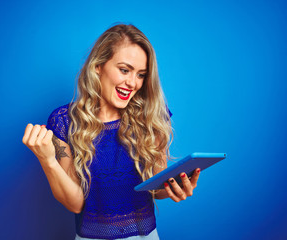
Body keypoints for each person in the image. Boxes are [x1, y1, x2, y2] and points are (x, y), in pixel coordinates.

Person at [22, 24, 200, 240]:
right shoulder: (65, 121)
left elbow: (155, 187)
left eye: (141, 75)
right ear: (98, 66)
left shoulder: (152, 116)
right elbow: (75, 203)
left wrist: (175, 187)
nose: (132, 83)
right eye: (124, 70)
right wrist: (48, 161)